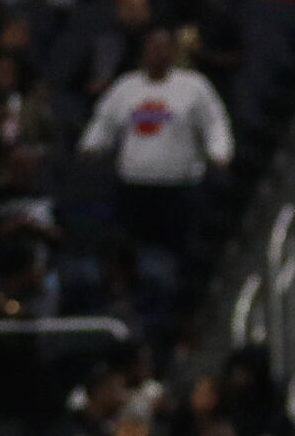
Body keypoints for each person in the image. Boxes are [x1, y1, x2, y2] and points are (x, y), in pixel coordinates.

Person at [77, 28, 232, 266]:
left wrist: (219, 152)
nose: (157, 52)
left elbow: (214, 123)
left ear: (172, 51)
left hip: (178, 190)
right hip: (134, 189)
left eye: (163, 47)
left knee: (178, 253)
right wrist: (91, 145)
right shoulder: (126, 87)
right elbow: (104, 121)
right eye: (152, 47)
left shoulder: (194, 86)